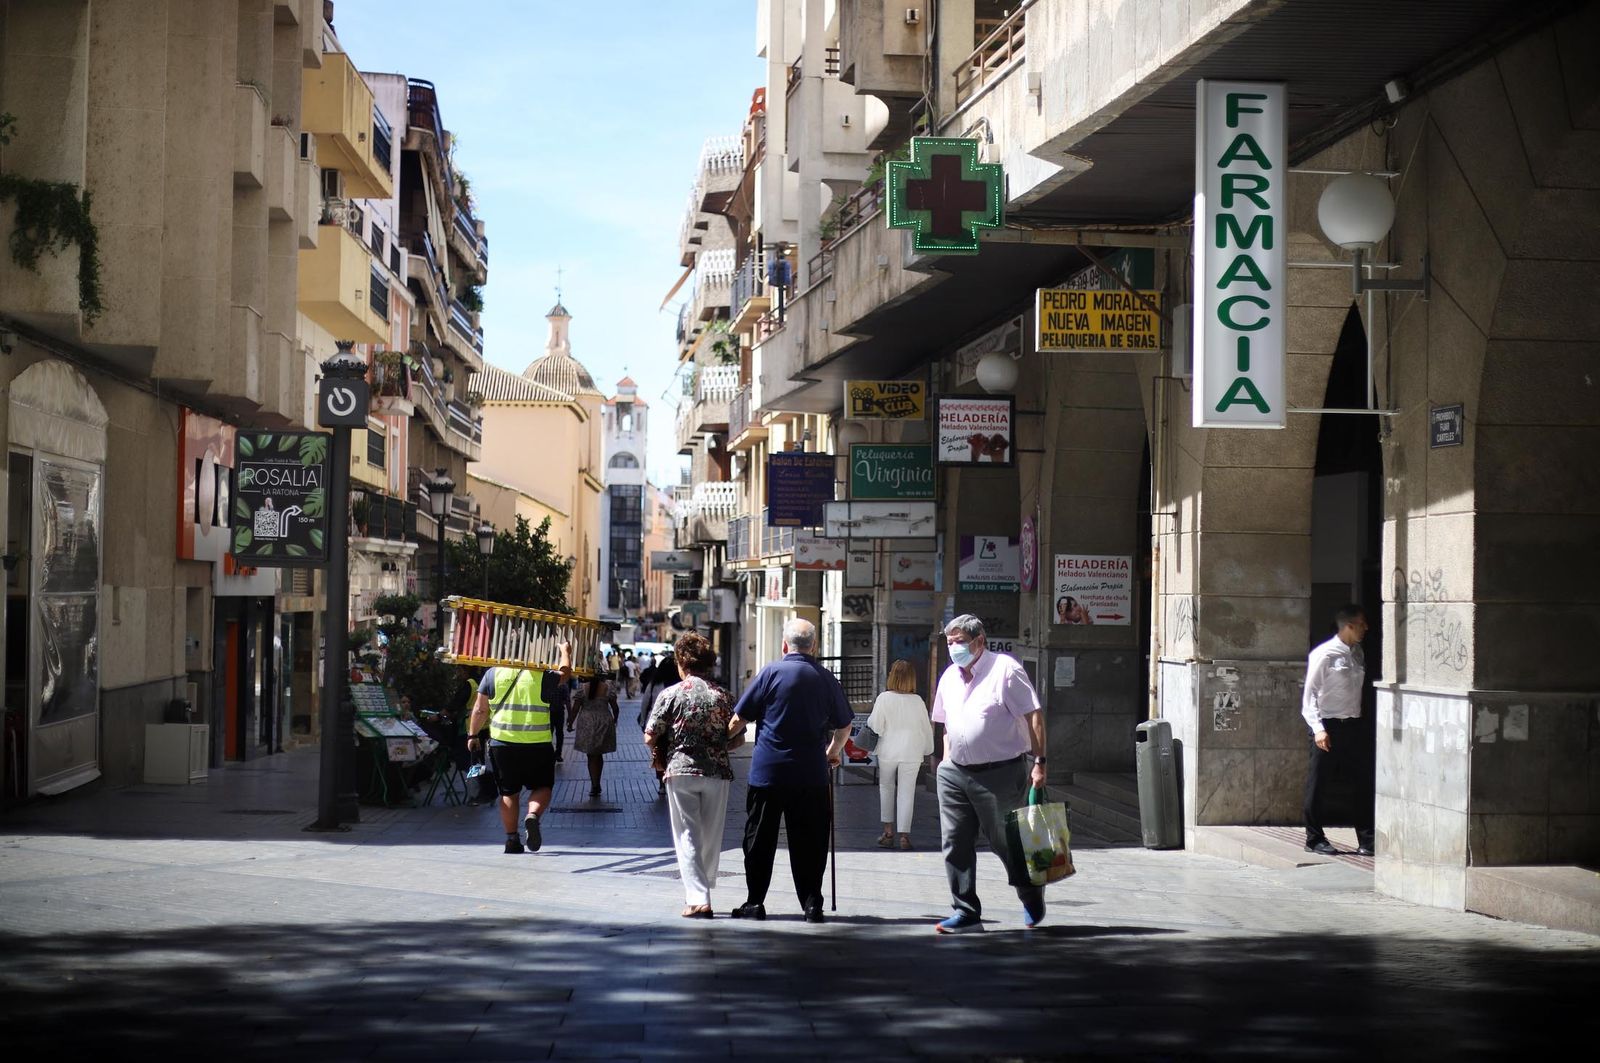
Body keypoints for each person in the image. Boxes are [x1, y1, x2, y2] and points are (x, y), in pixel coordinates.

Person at [725, 618, 854, 924]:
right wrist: (832, 752)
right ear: (815, 647)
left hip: (768, 773)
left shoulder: (770, 673)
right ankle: (811, 905)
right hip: (811, 775)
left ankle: (754, 903)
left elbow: (738, 719)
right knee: (810, 840)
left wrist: (721, 741)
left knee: (759, 839)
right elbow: (845, 723)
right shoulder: (825, 678)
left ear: (785, 645)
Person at [930, 614, 1049, 934]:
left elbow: (1034, 715)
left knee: (1006, 842)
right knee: (954, 841)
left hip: (1000, 772)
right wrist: (945, 760)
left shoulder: (1006, 670)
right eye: (950, 642)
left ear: (979, 641)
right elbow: (943, 721)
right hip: (954, 772)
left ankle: (1031, 894)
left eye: (959, 642)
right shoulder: (949, 676)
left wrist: (1040, 761)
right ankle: (965, 909)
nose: (954, 647)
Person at [643, 632, 744, 918]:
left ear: (681, 663)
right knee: (711, 834)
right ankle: (704, 889)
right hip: (717, 772)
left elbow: (649, 737)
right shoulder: (724, 696)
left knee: (687, 833)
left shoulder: (671, 694)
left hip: (681, 771)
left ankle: (698, 897)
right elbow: (738, 739)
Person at [466, 642, 572, 854]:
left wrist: (473, 735)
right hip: (538, 744)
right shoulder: (540, 675)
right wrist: (564, 652)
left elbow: (479, 709)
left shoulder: (492, 674)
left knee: (508, 792)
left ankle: (512, 840)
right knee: (542, 787)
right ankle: (532, 815)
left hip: (502, 744)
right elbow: (565, 674)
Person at [1302, 604, 1375, 857]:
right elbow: (1309, 695)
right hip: (1328, 725)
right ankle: (1314, 838)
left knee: (1362, 782)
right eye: (1362, 623)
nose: (1366, 628)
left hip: (1353, 725)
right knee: (1319, 783)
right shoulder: (1325, 654)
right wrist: (1318, 729)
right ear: (1349, 626)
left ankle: (1367, 839)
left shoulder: (1357, 653)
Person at [867, 659, 935, 851]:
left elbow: (876, 726)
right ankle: (905, 836)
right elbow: (926, 728)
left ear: (892, 676)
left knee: (886, 788)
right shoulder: (918, 701)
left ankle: (888, 833)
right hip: (912, 751)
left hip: (888, 750)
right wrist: (927, 749)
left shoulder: (884, 698)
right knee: (907, 793)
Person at [569, 674, 620, 798]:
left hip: (587, 723)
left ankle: (594, 784)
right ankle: (597, 783)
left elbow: (575, 708)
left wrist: (570, 722)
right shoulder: (608, 688)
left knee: (591, 755)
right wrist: (615, 719)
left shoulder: (582, 688)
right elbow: (615, 707)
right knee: (599, 754)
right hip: (603, 721)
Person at [640, 654, 681, 796]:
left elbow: (645, 703)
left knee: (659, 753)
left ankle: (661, 783)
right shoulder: (680, 685)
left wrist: (644, 722)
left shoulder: (655, 683)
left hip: (656, 724)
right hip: (676, 725)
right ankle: (673, 779)